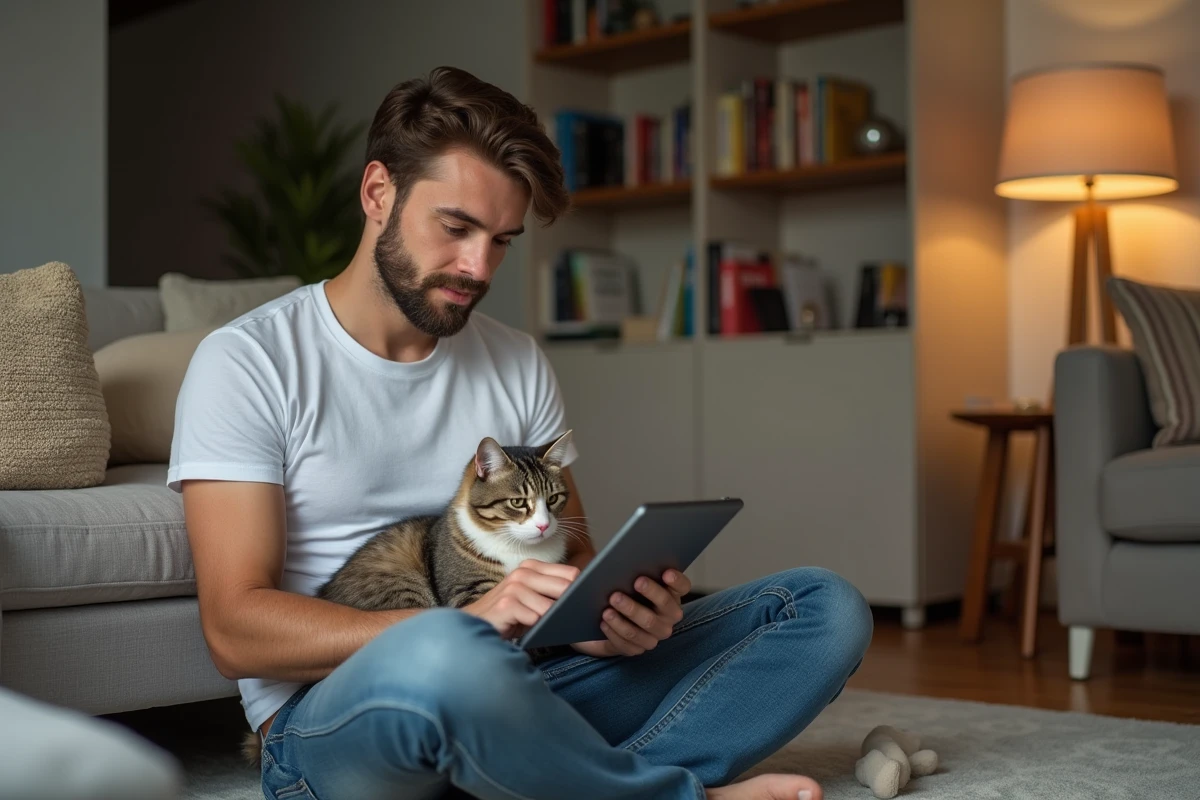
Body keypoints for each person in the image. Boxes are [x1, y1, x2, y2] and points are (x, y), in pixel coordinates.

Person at [170, 66, 872, 800]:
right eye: (456, 228)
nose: (478, 267)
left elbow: (574, 559)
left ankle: (553, 778)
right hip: (337, 721)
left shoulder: (516, 359)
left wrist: (609, 620)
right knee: (446, 650)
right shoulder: (248, 361)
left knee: (822, 609)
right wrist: (467, 626)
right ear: (377, 192)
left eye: (502, 239)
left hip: (529, 682)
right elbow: (234, 631)